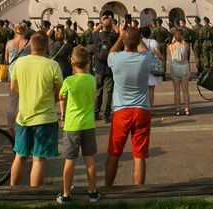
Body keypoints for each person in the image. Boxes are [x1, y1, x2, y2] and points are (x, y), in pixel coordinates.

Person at [9, 32, 63, 187]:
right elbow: (60, 93)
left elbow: (13, 87)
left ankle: (13, 189)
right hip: (45, 118)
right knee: (39, 158)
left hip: (24, 116)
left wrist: (26, 93)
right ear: (47, 47)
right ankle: (34, 192)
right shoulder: (53, 65)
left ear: (30, 45)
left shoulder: (20, 62)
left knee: (20, 156)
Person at [105, 27, 153, 187]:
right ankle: (138, 192)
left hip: (121, 111)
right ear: (138, 40)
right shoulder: (145, 58)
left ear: (124, 42)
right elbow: (144, 49)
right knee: (139, 155)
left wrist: (120, 36)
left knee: (114, 153)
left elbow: (111, 51)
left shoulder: (116, 59)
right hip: (141, 110)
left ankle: (107, 188)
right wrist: (137, 38)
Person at [57, 45, 100, 204]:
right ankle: (93, 192)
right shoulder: (92, 79)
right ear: (88, 62)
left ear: (72, 61)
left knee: (70, 160)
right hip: (88, 124)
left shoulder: (69, 80)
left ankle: (66, 193)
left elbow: (61, 96)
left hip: (72, 125)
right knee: (90, 159)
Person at [91, 14, 118, 122]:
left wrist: (102, 23)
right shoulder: (114, 37)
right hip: (110, 66)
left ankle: (94, 113)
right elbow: (119, 32)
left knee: (98, 91)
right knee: (108, 92)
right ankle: (105, 116)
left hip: (98, 66)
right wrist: (112, 23)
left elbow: (93, 32)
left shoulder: (97, 36)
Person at [168, 28, 192, 116]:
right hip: (184, 66)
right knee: (185, 90)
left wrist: (174, 40)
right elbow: (186, 52)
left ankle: (178, 109)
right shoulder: (186, 45)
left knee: (176, 90)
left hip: (175, 67)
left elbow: (171, 45)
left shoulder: (171, 46)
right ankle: (187, 109)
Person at [140, 25, 162, 108]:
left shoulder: (139, 42)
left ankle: (143, 108)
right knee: (151, 90)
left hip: (142, 67)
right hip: (152, 68)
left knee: (143, 90)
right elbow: (159, 54)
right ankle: (150, 109)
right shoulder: (153, 42)